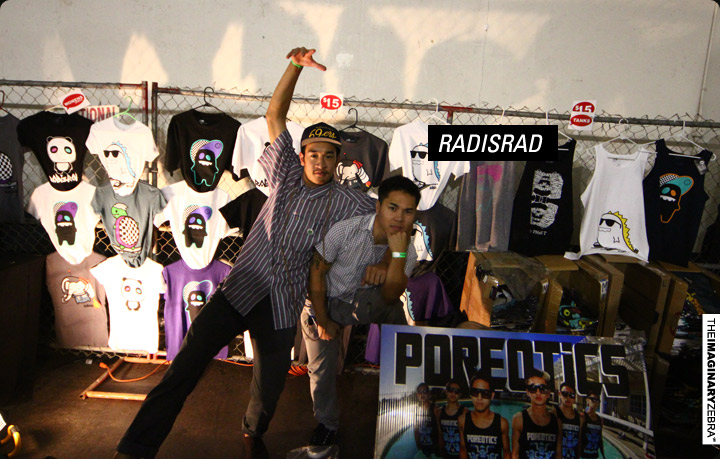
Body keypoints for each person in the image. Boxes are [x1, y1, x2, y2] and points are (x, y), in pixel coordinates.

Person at [114, 46, 375, 459]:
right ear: (302, 156)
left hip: (282, 307)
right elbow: (274, 115)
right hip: (238, 291)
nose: (320, 162)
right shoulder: (286, 174)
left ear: (338, 160)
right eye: (313, 154)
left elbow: (390, 215)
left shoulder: (348, 201)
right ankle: (134, 448)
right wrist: (294, 67)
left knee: (268, 388)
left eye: (329, 156)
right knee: (184, 368)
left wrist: (396, 257)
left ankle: (253, 432)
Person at [301, 174, 420, 447]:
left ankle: (404, 406)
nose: (400, 218)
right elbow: (316, 275)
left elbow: (390, 297)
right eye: (393, 208)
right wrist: (323, 320)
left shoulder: (407, 251)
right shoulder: (346, 230)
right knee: (320, 370)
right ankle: (327, 423)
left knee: (397, 317)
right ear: (378, 207)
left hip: (364, 300)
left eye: (408, 211)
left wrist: (396, 256)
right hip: (325, 301)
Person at [511, 369, 562, 459]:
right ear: (527, 392)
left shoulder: (557, 422)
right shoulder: (519, 419)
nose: (538, 393)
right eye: (533, 388)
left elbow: (558, 454)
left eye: (542, 388)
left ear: (548, 393)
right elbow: (515, 454)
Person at [458, 372, 510, 459]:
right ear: (470, 394)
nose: (479, 398)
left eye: (485, 393)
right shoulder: (463, 421)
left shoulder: (501, 423)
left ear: (492, 395)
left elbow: (506, 452)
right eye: (475, 392)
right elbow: (463, 449)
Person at [435, 379, 467, 458]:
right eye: (450, 390)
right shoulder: (439, 412)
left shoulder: (465, 412)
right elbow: (440, 434)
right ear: (446, 391)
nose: (453, 393)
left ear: (460, 394)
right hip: (446, 455)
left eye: (456, 391)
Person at [554, 382, 582, 459]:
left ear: (575, 397)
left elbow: (579, 443)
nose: (568, 397)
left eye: (571, 395)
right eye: (564, 394)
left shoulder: (580, 418)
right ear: (559, 394)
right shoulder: (553, 414)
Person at [579, 390, 604, 459]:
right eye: (593, 399)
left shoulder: (600, 420)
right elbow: (579, 437)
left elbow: (600, 439)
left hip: (594, 455)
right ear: (587, 400)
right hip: (583, 455)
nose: (595, 402)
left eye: (597, 400)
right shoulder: (583, 417)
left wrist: (603, 455)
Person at [414, 382, 436, 457]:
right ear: (417, 395)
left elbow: (439, 431)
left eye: (425, 391)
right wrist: (419, 448)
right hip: (422, 449)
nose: (422, 394)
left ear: (429, 394)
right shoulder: (416, 411)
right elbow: (416, 432)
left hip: (434, 450)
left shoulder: (435, 409)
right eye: (420, 392)